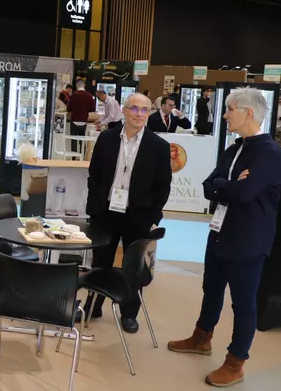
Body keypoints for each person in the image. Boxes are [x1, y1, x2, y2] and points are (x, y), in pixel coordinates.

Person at [168, 88, 281, 388]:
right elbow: (208, 186)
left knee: (243, 302)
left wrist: (224, 185)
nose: (225, 114)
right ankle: (202, 336)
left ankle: (236, 362)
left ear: (249, 112)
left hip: (249, 239)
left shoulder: (269, 153)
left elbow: (245, 193)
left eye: (230, 108)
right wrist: (228, 183)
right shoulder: (234, 149)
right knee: (211, 288)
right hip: (219, 231)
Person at [83, 93, 172, 333]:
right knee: (100, 261)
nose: (139, 114)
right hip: (106, 212)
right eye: (134, 108)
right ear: (124, 110)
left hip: (138, 215)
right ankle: (94, 305)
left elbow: (163, 186)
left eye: (144, 110)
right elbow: (95, 175)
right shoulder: (107, 138)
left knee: (133, 267)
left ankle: (129, 313)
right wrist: (95, 204)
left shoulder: (158, 146)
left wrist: (152, 216)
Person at [67, 79, 95, 152]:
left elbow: (68, 109)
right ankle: (82, 156)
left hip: (74, 120)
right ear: (84, 85)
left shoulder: (73, 95)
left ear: (76, 86)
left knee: (74, 140)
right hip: (84, 120)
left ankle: (74, 158)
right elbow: (92, 109)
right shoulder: (89, 96)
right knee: (82, 140)